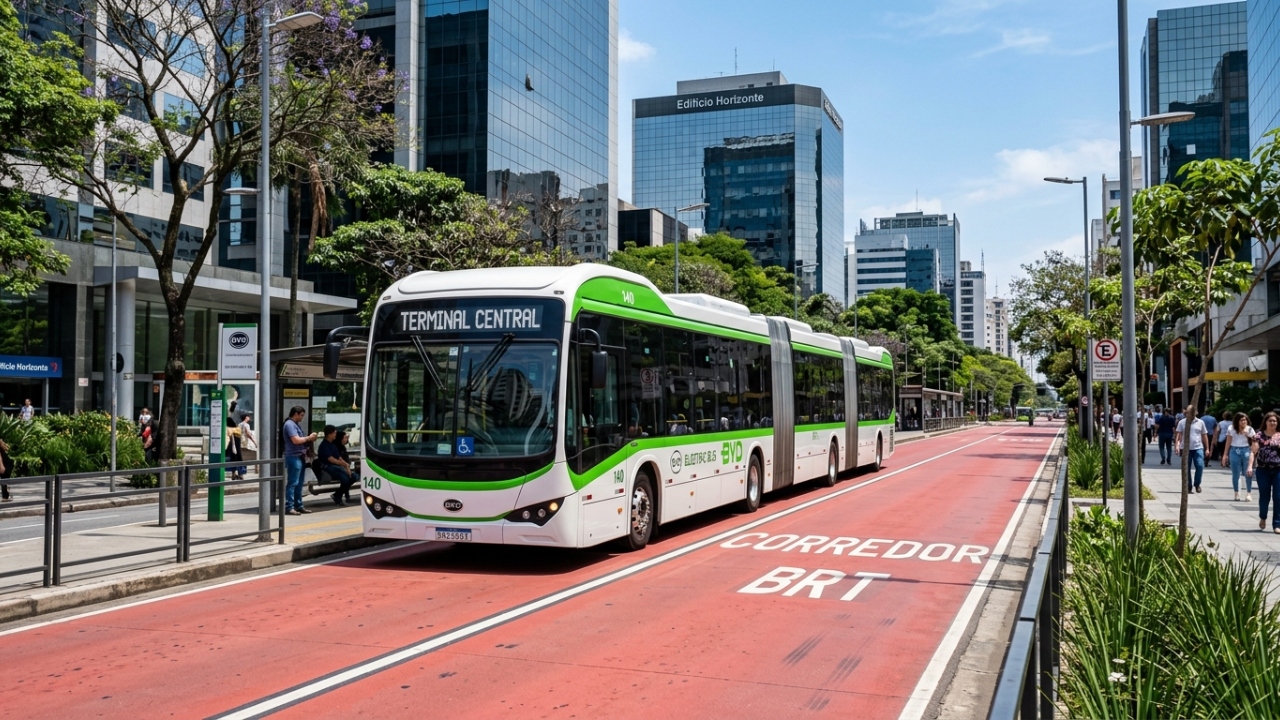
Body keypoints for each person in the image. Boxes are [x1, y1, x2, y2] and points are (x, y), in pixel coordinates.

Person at [282, 406, 318, 515]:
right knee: (293, 482)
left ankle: (299, 505)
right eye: (301, 415)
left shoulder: (295, 425)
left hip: (300, 456)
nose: (302, 418)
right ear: (296, 414)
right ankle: (289, 506)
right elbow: (296, 440)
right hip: (293, 456)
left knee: (299, 483)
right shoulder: (289, 425)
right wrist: (309, 438)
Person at [1250, 412, 1280, 534]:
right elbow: (1253, 452)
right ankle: (1263, 516)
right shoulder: (1258, 435)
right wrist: (1249, 466)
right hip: (1263, 469)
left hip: (1278, 469)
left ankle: (1277, 524)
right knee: (1264, 496)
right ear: (1265, 422)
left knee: (1278, 497)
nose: (1272, 423)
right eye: (1270, 420)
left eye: (1275, 421)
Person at [1174, 407, 1210, 494]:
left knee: (1200, 465)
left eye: (1193, 412)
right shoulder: (1182, 422)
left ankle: (1197, 484)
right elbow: (1178, 435)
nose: (1191, 414)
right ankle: (1188, 486)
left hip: (1198, 448)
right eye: (1189, 412)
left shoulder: (1200, 422)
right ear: (1186, 413)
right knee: (1187, 468)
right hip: (1186, 449)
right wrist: (1177, 446)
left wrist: (1207, 448)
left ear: (1196, 412)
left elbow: (1204, 435)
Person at [318, 425, 355, 506]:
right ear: (329, 434)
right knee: (345, 479)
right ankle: (338, 497)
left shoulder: (333, 445)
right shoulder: (324, 445)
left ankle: (337, 494)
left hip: (337, 467)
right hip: (327, 467)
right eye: (334, 433)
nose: (335, 435)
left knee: (354, 476)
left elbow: (338, 457)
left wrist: (346, 465)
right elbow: (331, 459)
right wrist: (345, 465)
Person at [1223, 412, 1255, 502]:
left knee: (1248, 473)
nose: (1243, 422)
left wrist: (1247, 434)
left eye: (1245, 420)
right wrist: (1225, 454)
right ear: (1237, 421)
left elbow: (1254, 442)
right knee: (1235, 474)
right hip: (1234, 450)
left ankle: (1248, 493)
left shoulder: (1250, 429)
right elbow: (1228, 442)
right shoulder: (1231, 428)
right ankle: (1236, 492)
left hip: (1246, 450)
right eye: (1241, 420)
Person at [225, 415, 243, 480]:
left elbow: (229, 435)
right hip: (237, 446)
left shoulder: (228, 428)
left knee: (233, 459)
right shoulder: (238, 429)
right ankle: (240, 474)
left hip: (231, 445)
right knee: (239, 459)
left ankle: (233, 474)